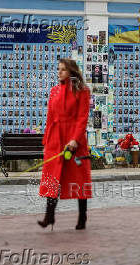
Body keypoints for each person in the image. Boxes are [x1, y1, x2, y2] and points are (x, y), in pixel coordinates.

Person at [38, 58, 92, 231]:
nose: (59, 72)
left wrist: (75, 139)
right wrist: (46, 141)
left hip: (73, 141)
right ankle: (49, 216)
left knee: (79, 179)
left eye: (63, 69)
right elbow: (49, 117)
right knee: (52, 178)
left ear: (72, 71)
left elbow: (82, 117)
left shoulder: (82, 91)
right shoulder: (54, 91)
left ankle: (82, 216)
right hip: (55, 139)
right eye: (58, 69)